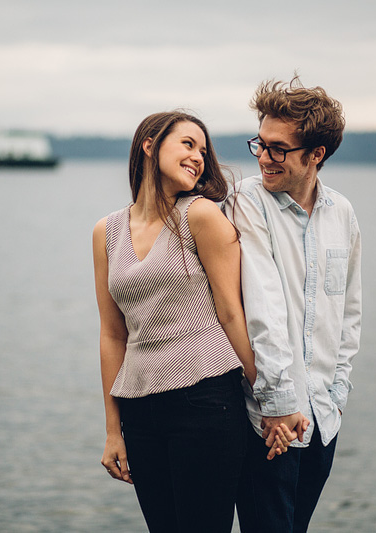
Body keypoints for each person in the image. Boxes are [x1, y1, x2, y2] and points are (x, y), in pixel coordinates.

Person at [92, 110, 276, 532]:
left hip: (207, 402)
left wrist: (267, 398)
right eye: (188, 144)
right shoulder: (107, 232)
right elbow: (111, 333)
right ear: (150, 145)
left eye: (204, 151)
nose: (198, 157)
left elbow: (232, 313)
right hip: (139, 412)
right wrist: (112, 429)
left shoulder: (201, 215)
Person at [225, 76, 362, 533]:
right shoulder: (248, 200)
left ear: (316, 154)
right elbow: (262, 308)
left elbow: (350, 315)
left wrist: (337, 397)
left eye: (278, 148)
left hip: (322, 419)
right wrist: (279, 406)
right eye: (259, 144)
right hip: (269, 421)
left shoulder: (342, 213)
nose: (264, 157)